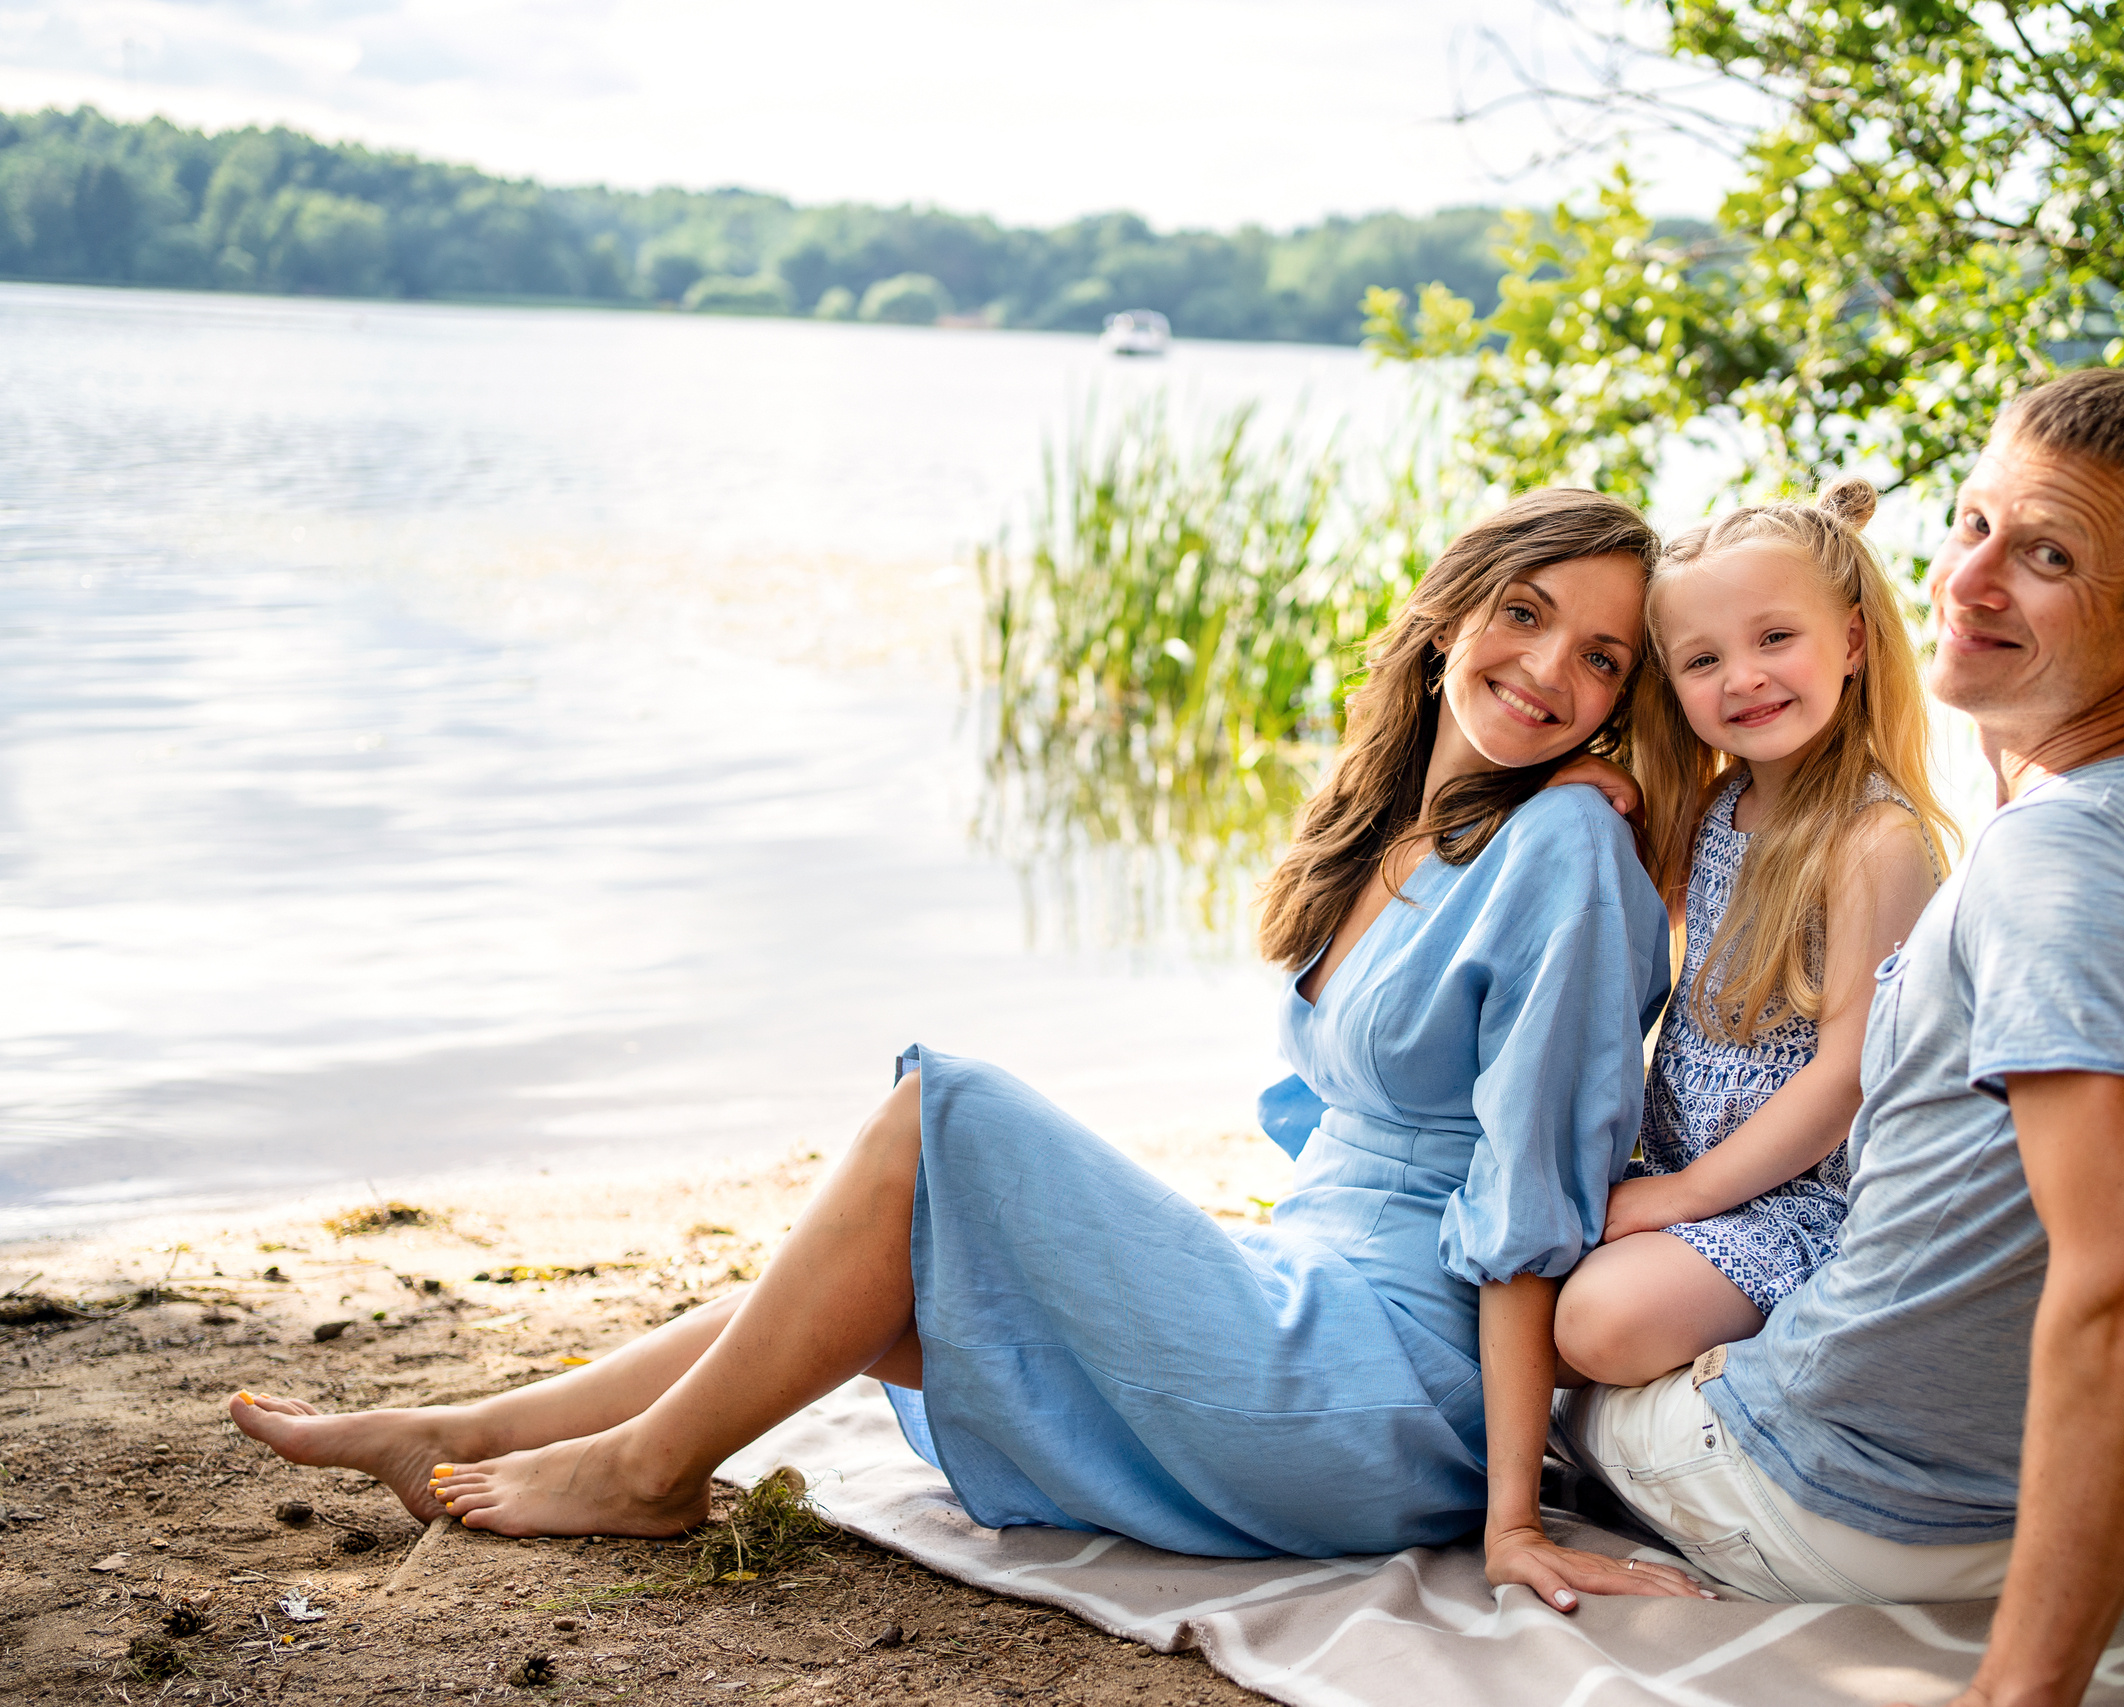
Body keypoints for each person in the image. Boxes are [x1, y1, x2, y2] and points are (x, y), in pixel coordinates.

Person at [226, 486, 1706, 1613]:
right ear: (1452, 611)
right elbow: (1326, 1122)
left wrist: (1510, 1513)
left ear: (1622, 701)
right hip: (1307, 1284)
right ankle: (475, 1423)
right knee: (893, 1260)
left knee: (947, 1113)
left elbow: (1529, 1204)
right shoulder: (1408, 827)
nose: (1546, 668)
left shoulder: (1567, 843)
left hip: (1395, 1384)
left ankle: (644, 1470)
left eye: (1599, 657)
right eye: (1523, 612)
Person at [1553, 368, 2124, 1706]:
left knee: (1524, 1322)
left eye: (2049, 555)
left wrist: (2022, 1686)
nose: (1969, 580)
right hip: (2022, 1483)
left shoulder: (2055, 869)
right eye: (1971, 523)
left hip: (1860, 1498)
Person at [1552, 477, 1955, 1389]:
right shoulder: (1715, 806)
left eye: (1776, 637)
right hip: (1683, 1169)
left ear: (1851, 640)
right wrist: (1577, 776)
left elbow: (1846, 1077)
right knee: (1509, 1286)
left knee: (1595, 1319)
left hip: (1801, 1202)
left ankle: (1696, 1399)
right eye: (1701, 660)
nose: (1743, 677)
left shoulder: (1872, 839)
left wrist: (1681, 1198)